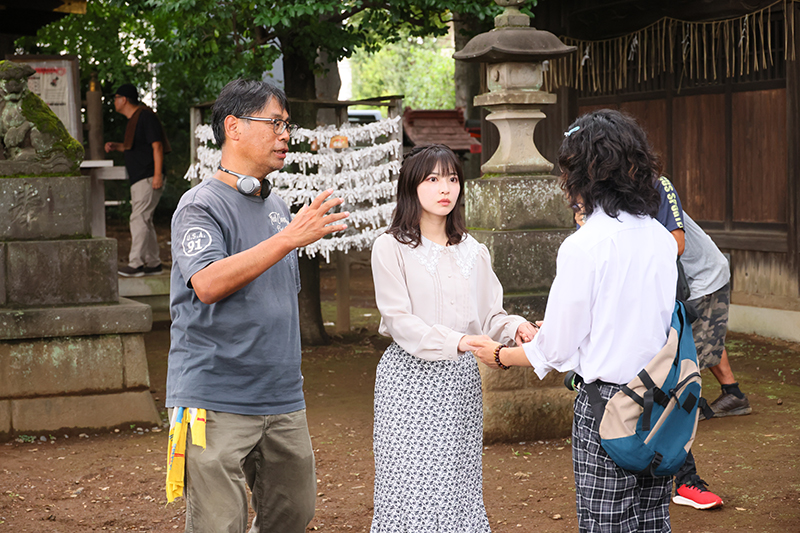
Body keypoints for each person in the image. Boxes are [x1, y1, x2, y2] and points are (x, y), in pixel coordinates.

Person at [469, 110, 678, 532]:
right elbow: (639, 319)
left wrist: (502, 355)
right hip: (659, 401)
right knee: (653, 519)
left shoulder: (584, 245)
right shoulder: (660, 238)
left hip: (606, 407)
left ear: (584, 174)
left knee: (605, 522)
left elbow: (557, 351)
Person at [165, 79, 349, 533]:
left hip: (282, 396)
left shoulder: (278, 206)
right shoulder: (199, 205)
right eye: (275, 124)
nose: (286, 135)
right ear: (234, 127)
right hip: (214, 398)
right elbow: (207, 283)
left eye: (288, 125)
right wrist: (288, 238)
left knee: (293, 513)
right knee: (218, 524)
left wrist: (287, 231)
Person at [370, 144, 537, 532]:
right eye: (432, 179)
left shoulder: (473, 251)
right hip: (407, 382)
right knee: (408, 487)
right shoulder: (389, 247)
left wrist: (515, 327)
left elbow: (489, 315)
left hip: (458, 384)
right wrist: (458, 342)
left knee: (456, 486)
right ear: (411, 186)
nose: (445, 188)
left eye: (452, 178)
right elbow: (398, 320)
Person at [655, 176, 751, 510]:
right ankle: (733, 393)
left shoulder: (655, 185)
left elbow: (676, 243)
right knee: (695, 349)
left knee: (678, 369)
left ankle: (685, 478)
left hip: (700, 281)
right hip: (681, 285)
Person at [105, 83, 171, 277]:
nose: (114, 101)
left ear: (123, 99)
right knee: (145, 219)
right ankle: (153, 262)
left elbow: (157, 146)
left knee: (138, 218)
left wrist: (157, 175)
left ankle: (136, 264)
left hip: (148, 176)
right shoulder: (135, 119)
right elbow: (136, 147)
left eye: (116, 98)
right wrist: (117, 146)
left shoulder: (145, 116)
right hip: (142, 177)